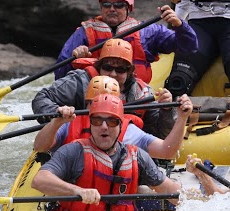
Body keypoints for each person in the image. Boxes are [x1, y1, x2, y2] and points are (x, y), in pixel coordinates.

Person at [33, 94, 183, 211]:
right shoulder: (73, 151)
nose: (104, 126)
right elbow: (39, 180)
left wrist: (209, 197)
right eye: (97, 121)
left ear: (120, 126)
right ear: (91, 124)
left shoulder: (136, 157)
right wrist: (77, 191)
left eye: (111, 121)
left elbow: (170, 190)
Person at [54, 0, 198, 82]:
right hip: (94, 98)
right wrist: (73, 60)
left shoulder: (147, 32)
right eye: (106, 4)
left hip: (134, 100)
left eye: (118, 5)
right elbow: (60, 75)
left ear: (128, 8)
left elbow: (189, 47)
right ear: (101, 7)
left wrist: (179, 25)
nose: (112, 9)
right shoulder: (85, 33)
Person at [32, 38, 176, 139]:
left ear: (129, 72)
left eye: (120, 69)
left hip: (123, 149)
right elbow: (41, 98)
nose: (113, 74)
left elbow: (161, 135)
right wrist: (57, 114)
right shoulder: (79, 82)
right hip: (78, 144)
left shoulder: (142, 93)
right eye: (107, 67)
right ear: (99, 66)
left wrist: (167, 110)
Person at [33, 75, 194, 162]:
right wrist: (56, 122)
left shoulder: (128, 131)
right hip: (72, 196)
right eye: (95, 104)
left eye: (108, 105)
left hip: (111, 198)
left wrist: (182, 118)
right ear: (87, 104)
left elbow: (168, 152)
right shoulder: (68, 124)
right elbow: (40, 147)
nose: (104, 125)